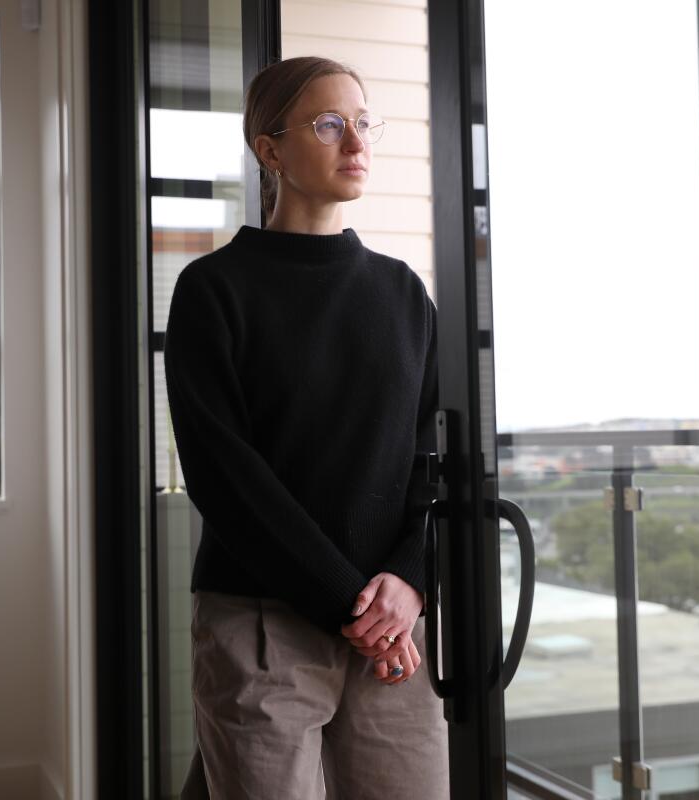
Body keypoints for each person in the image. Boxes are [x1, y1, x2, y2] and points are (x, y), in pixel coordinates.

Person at [165, 55, 448, 800]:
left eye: (362, 123)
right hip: (262, 622)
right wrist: (353, 607)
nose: (355, 141)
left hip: (393, 630)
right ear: (270, 148)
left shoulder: (403, 294)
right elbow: (225, 479)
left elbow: (431, 459)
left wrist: (411, 584)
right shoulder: (212, 291)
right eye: (328, 124)